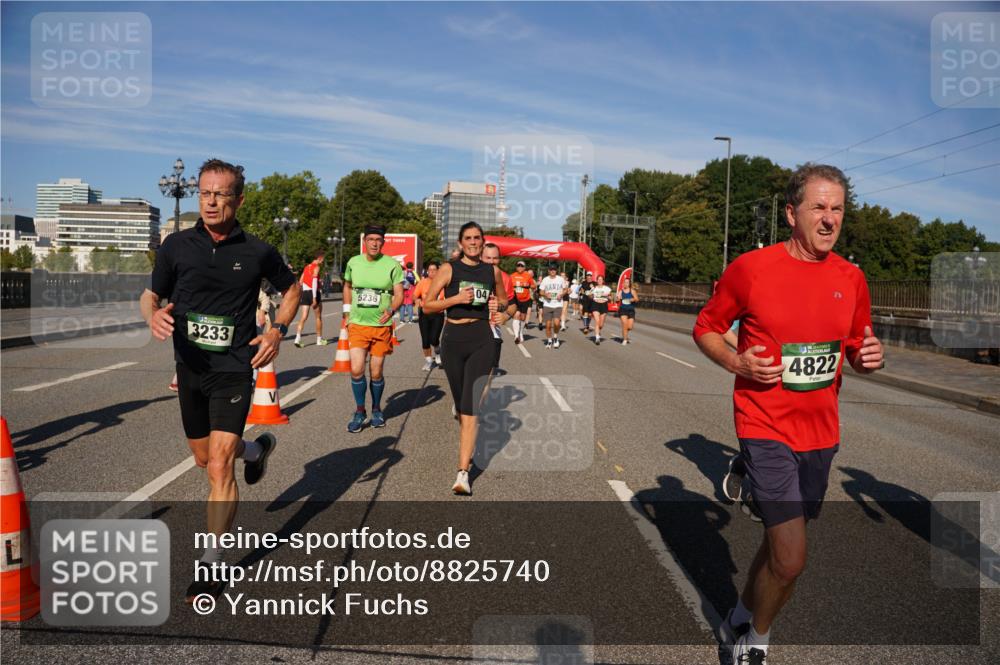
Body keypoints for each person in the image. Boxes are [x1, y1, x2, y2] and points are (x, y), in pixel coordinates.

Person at [693, 164, 884, 665]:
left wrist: (865, 360)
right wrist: (737, 361)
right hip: (763, 424)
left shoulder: (852, 277)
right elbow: (707, 328)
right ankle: (754, 640)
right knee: (793, 558)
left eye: (837, 208)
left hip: (820, 434)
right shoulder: (752, 269)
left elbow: (856, 350)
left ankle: (738, 612)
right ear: (791, 213)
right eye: (818, 207)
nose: (829, 219)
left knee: (780, 545)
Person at [140, 158, 300, 603]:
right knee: (201, 457)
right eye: (204, 193)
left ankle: (212, 562)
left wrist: (275, 330)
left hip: (233, 368)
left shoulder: (258, 251)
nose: (210, 201)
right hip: (190, 368)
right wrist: (152, 315)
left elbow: (293, 290)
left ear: (238, 199)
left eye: (220, 194)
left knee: (219, 464)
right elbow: (151, 294)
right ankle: (258, 449)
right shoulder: (175, 246)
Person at [421, 222, 509, 495]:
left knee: (471, 406)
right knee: (461, 406)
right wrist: (455, 298)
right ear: (461, 243)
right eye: (468, 238)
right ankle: (465, 434)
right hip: (453, 341)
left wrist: (498, 307)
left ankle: (462, 473)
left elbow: (505, 302)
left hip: (481, 338)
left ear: (483, 242)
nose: (473, 242)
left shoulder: (491, 271)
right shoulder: (449, 269)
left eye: (477, 238)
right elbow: (427, 305)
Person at [343, 226, 405, 433]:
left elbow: (399, 294)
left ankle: (377, 409)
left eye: (378, 239)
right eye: (370, 239)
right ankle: (360, 411)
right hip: (358, 324)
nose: (374, 243)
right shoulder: (354, 262)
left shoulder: (392, 265)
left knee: (376, 372)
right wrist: (346, 312)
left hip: (381, 326)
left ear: (383, 242)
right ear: (365, 242)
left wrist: (392, 309)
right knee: (356, 368)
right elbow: (347, 286)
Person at [482, 243, 517, 372]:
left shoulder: (505, 278)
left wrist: (505, 316)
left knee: (489, 371)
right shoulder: (470, 273)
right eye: (488, 258)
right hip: (470, 328)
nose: (492, 261)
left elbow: (513, 306)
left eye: (495, 258)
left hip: (492, 331)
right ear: (481, 257)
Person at [412, 261, 444, 371]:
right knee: (425, 340)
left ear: (438, 271)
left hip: (438, 314)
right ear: (427, 271)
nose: (432, 272)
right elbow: (415, 296)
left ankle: (438, 353)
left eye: (434, 270)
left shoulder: (443, 283)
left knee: (434, 339)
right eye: (430, 270)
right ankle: (429, 361)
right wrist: (418, 301)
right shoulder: (422, 282)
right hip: (425, 314)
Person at [294, 251, 327, 347]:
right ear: (319, 258)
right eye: (323, 259)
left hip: (305, 292)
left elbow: (300, 281)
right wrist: (314, 297)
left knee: (303, 317)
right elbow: (314, 283)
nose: (323, 261)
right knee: (318, 317)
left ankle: (297, 338)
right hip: (313, 292)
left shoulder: (306, 267)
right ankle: (319, 340)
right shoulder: (316, 267)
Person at [538, 264, 568, 349]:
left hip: (558, 304)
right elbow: (541, 291)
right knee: (547, 325)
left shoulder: (560, 279)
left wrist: (561, 294)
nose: (552, 271)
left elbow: (566, 289)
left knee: (556, 323)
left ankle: (555, 337)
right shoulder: (545, 280)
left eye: (554, 269)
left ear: (556, 271)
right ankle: (549, 340)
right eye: (551, 270)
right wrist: (545, 294)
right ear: (548, 271)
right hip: (547, 304)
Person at [509, 260, 535, 344]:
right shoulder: (512, 276)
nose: (520, 267)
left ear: (524, 267)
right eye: (518, 265)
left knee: (523, 318)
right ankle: (516, 336)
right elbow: (507, 286)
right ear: (516, 267)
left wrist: (529, 285)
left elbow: (534, 286)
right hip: (514, 299)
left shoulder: (528, 276)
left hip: (525, 299)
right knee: (516, 315)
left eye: (521, 266)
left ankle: (520, 332)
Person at [589, 274, 612, 345]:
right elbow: (590, 296)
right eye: (598, 280)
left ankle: (598, 331)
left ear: (603, 281)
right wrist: (590, 295)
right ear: (597, 281)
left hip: (603, 305)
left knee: (601, 324)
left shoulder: (607, 289)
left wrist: (609, 298)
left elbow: (610, 297)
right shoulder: (594, 288)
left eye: (601, 280)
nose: (599, 281)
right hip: (595, 304)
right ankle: (597, 338)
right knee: (597, 321)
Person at [616, 275, 639, 345]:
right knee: (625, 324)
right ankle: (625, 340)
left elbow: (637, 299)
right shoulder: (621, 291)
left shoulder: (632, 291)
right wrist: (617, 298)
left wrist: (633, 299)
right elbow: (617, 300)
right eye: (625, 282)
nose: (626, 284)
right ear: (623, 283)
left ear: (629, 284)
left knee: (630, 327)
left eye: (627, 282)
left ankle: (624, 332)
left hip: (631, 310)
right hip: (623, 309)